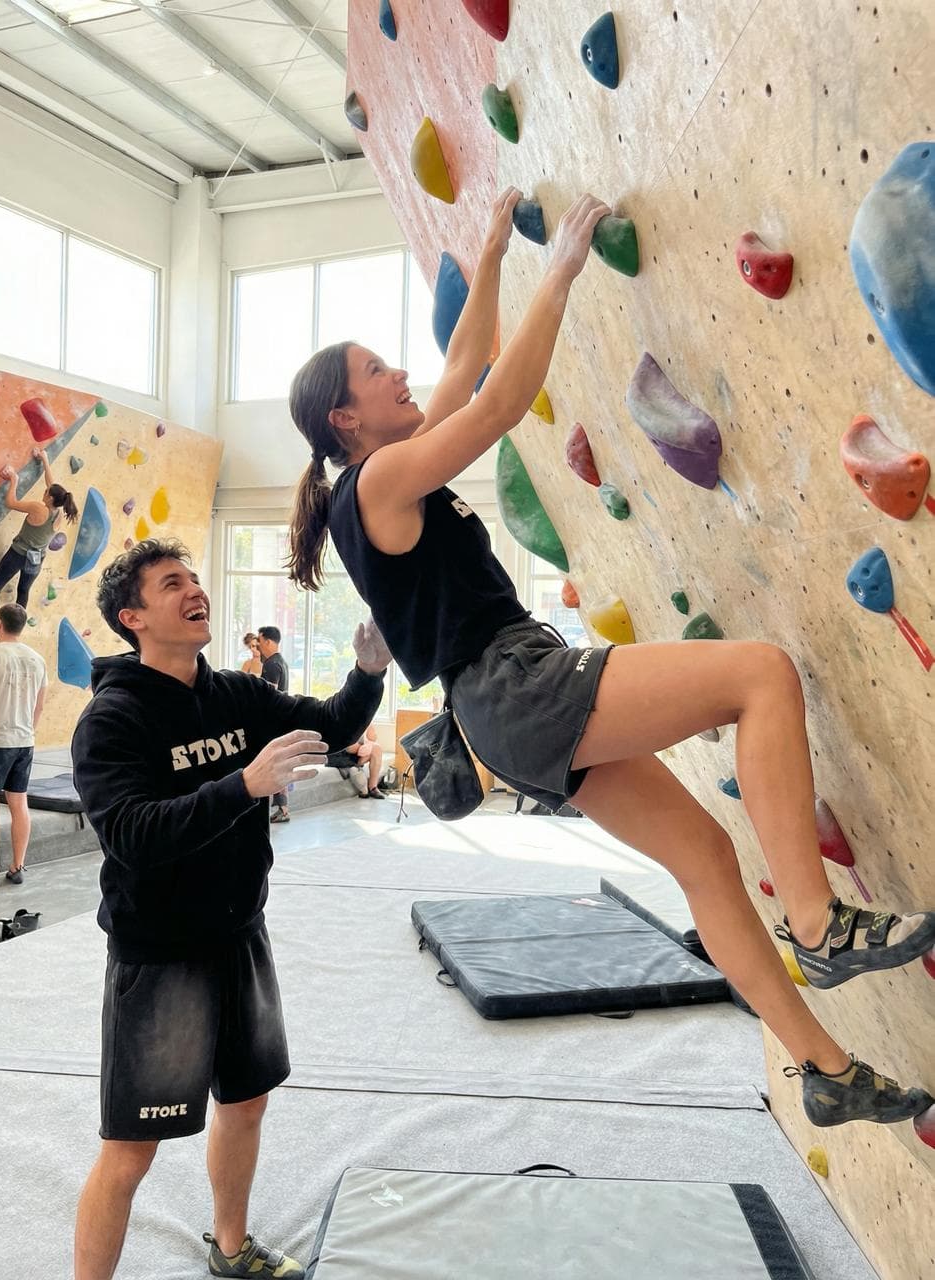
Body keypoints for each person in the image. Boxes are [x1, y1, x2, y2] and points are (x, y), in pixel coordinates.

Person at [285, 188, 935, 1132]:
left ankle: (825, 1068)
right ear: (346, 419)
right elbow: (501, 399)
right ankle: (817, 921)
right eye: (377, 372)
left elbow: (465, 365)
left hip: (499, 712)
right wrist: (562, 269)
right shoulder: (378, 478)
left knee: (708, 859)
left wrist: (495, 250)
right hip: (514, 685)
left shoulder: (387, 469)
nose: (399, 376)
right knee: (761, 676)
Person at [70, 537, 390, 1280]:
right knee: (130, 1149)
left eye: (196, 578)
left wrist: (369, 672)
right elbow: (132, 835)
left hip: (241, 936)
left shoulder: (238, 695)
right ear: (133, 616)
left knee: (245, 1103)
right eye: (172, 582)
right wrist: (242, 785)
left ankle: (232, 1246)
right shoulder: (112, 720)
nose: (196, 590)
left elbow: (331, 724)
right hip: (161, 955)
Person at [0, 604, 47, 889]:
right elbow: (39, 707)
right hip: (24, 742)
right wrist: (27, 732)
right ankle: (17, 866)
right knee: (20, 804)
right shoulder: (37, 659)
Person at [0, 447, 79, 638]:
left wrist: (14, 480)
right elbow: (53, 485)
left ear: (49, 497)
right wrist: (45, 460)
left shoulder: (38, 508)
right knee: (23, 591)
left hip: (18, 555)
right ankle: (14, 631)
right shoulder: (59, 512)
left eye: (46, 491)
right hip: (36, 560)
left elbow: (11, 503)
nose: (45, 489)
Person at [256, 626, 292, 822]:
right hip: (280, 718)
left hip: (273, 720)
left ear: (268, 642)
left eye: (260, 642)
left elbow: (268, 694)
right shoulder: (282, 662)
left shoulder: (271, 664)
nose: (259, 647)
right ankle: (282, 807)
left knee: (272, 764)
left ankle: (280, 807)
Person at [326, 723, 385, 799]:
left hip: (355, 754)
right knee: (369, 749)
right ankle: (354, 772)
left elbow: (372, 738)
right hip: (338, 754)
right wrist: (365, 747)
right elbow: (349, 746)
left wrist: (368, 724)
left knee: (377, 749)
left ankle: (373, 787)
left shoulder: (362, 717)